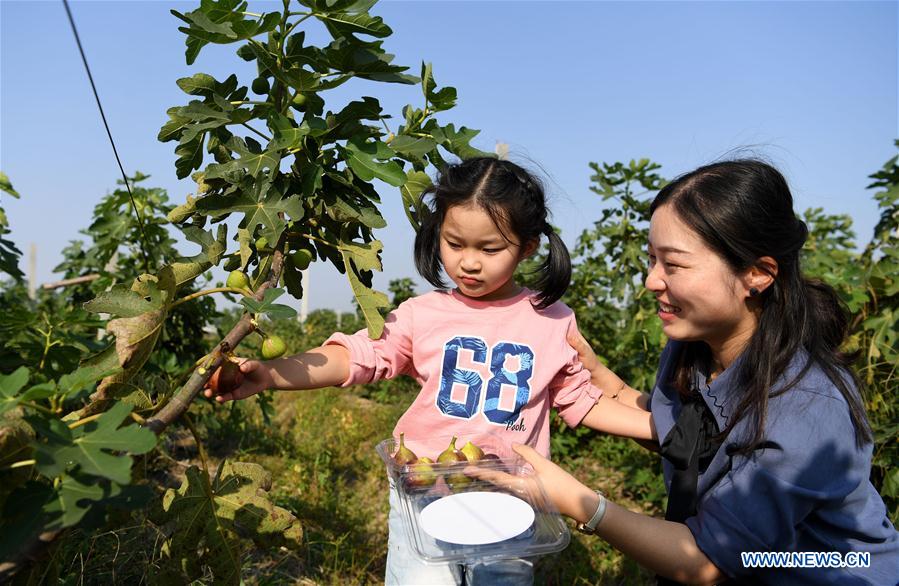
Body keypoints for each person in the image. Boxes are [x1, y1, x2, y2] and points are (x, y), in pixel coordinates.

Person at [204, 157, 655, 585]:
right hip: (424, 488)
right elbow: (360, 356)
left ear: (529, 247)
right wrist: (272, 374)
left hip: (512, 496)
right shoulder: (423, 314)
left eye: (490, 248)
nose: (468, 262)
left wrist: (663, 428)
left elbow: (581, 401)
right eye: (454, 244)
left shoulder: (553, 320)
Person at [470, 159, 899, 584]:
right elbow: (684, 436)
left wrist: (579, 501)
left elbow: (708, 561)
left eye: (672, 264)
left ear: (757, 273)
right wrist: (597, 376)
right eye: (652, 259)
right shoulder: (693, 350)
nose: (651, 280)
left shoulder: (804, 406)